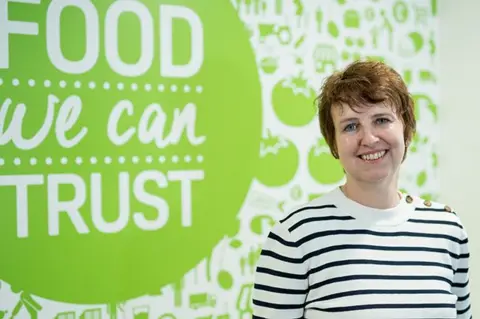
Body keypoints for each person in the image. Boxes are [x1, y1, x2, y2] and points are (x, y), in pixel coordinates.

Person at [251, 60, 472, 318]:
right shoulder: (295, 236)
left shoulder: (447, 229)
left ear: (407, 129)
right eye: (351, 126)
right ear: (333, 143)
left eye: (381, 120)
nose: (369, 139)